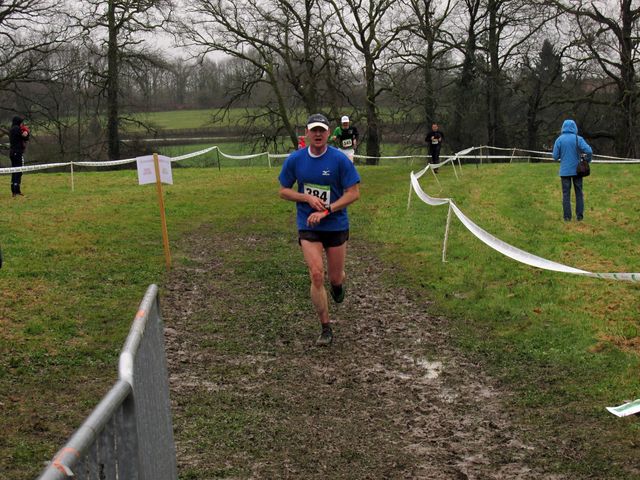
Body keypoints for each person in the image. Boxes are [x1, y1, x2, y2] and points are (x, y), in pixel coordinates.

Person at [279, 113, 361, 346]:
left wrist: (327, 210)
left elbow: (354, 194)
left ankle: (337, 285)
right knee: (316, 274)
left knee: (335, 277)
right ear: (306, 133)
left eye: (321, 130)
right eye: (313, 130)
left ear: (328, 133)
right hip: (308, 224)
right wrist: (306, 198)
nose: (317, 134)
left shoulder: (339, 160)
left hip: (335, 223)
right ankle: (325, 327)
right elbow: (283, 190)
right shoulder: (295, 160)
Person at [552, 119, 593, 221]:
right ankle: (579, 216)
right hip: (578, 171)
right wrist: (587, 160)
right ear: (575, 128)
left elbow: (555, 156)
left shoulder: (559, 140)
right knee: (579, 193)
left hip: (564, 171)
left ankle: (567, 217)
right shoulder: (578, 139)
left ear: (563, 127)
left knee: (566, 194)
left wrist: (562, 155)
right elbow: (589, 151)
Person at [9, 116, 30, 197]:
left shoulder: (12, 129)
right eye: (21, 122)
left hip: (12, 152)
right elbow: (24, 137)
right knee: (19, 171)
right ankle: (16, 190)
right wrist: (26, 133)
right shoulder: (17, 129)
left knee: (14, 171)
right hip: (17, 152)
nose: (21, 124)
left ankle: (13, 190)